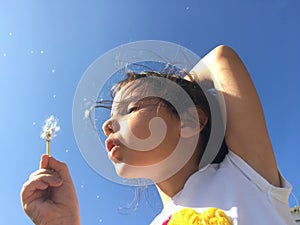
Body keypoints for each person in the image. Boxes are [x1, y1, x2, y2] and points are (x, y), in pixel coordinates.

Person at [20, 45, 296, 225]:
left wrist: (178, 93)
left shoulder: (244, 174)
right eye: (110, 119)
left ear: (191, 120)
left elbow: (221, 59)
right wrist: (67, 221)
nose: (108, 125)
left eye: (131, 108)